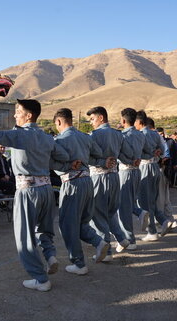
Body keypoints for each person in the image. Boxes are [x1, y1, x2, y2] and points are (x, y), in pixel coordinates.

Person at [0, 98, 69, 292]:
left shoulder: (18, 135)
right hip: (46, 189)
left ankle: (40, 278)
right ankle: (50, 255)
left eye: (18, 111)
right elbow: (62, 157)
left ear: (28, 115)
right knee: (44, 228)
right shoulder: (46, 137)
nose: (14, 114)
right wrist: (45, 163)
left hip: (28, 190)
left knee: (25, 237)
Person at [51, 108, 110, 273]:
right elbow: (98, 154)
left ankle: (79, 263)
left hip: (72, 183)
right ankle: (98, 241)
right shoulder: (85, 137)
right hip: (87, 181)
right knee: (82, 221)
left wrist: (69, 164)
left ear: (59, 122)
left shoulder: (59, 140)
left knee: (68, 224)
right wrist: (83, 158)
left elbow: (51, 162)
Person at [86, 106, 133, 260]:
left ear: (101, 118)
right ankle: (121, 238)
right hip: (114, 177)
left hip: (98, 177)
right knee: (110, 211)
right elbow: (128, 155)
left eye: (92, 119)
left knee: (98, 215)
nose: (91, 122)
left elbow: (87, 157)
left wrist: (101, 161)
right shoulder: (118, 135)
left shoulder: (94, 135)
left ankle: (107, 252)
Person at [134, 111, 171, 242]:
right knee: (152, 199)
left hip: (145, 167)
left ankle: (152, 231)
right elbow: (163, 150)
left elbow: (137, 152)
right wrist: (157, 153)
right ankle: (163, 220)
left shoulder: (140, 135)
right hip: (155, 167)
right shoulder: (155, 135)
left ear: (139, 122)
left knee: (144, 201)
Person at [112, 108, 145, 251]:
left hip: (126, 170)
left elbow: (120, 153)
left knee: (123, 208)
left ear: (124, 120)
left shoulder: (123, 136)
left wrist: (127, 160)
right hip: (137, 171)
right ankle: (139, 212)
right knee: (128, 202)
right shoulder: (140, 134)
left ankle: (129, 240)